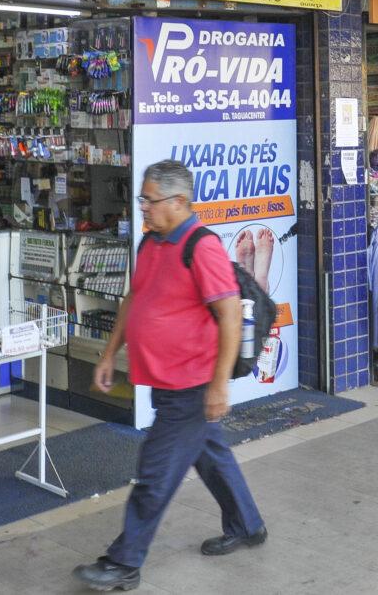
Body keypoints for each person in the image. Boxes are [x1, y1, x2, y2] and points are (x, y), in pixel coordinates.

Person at [73, 160, 265, 592]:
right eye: (142, 198)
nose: (141, 206)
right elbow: (134, 298)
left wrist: (218, 387)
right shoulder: (150, 242)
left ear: (178, 202)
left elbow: (230, 314)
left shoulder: (202, 246)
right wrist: (108, 354)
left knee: (155, 474)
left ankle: (123, 564)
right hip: (165, 382)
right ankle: (247, 524)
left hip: (191, 386)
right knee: (211, 453)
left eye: (149, 200)